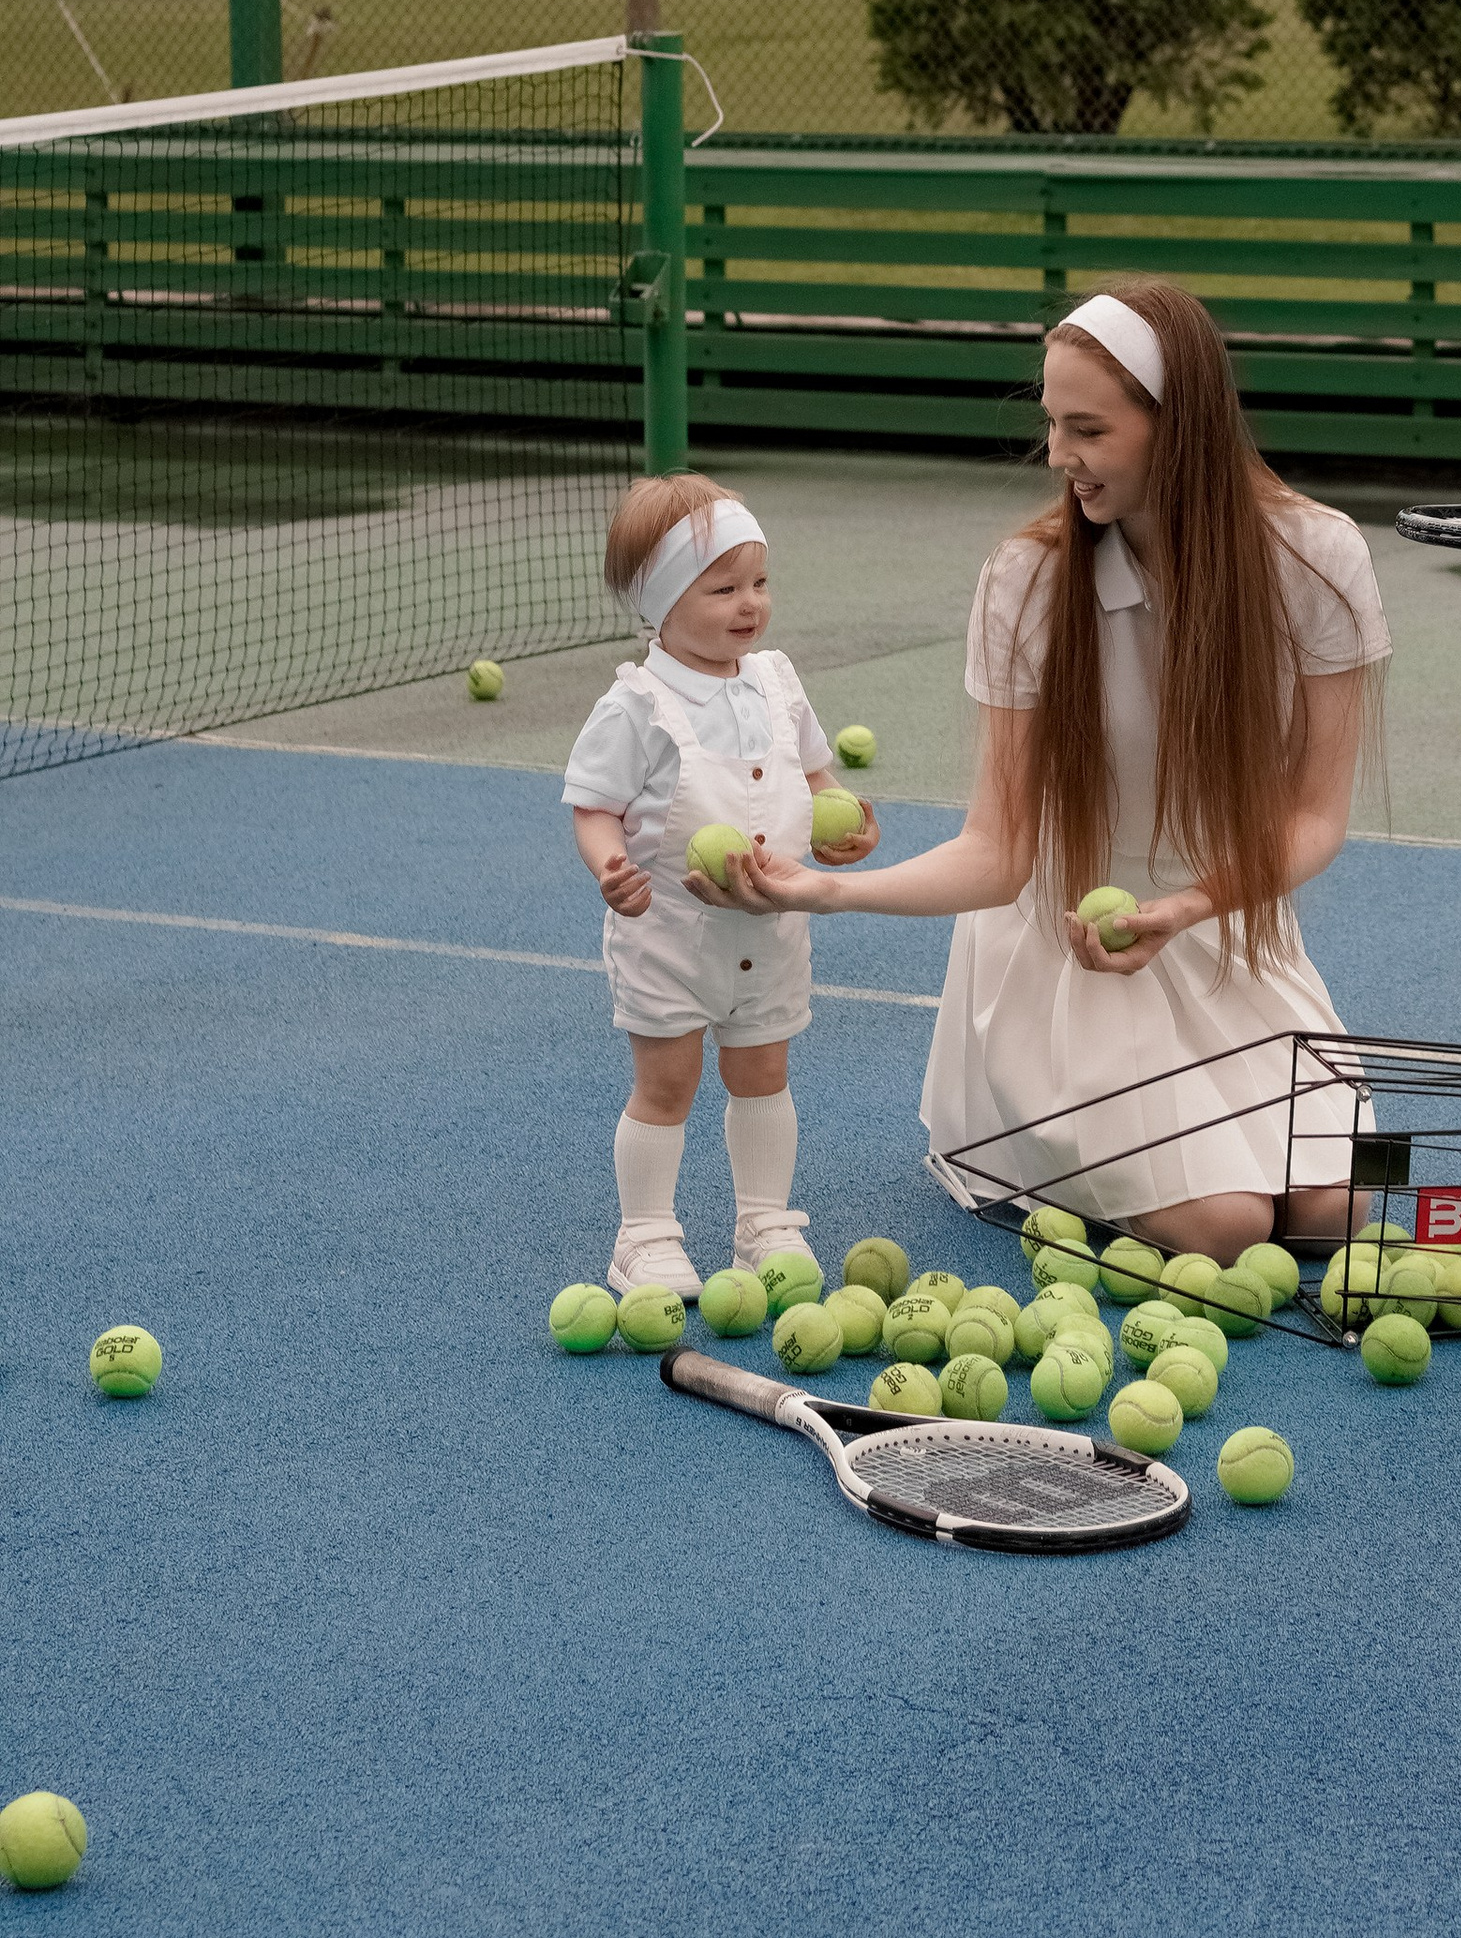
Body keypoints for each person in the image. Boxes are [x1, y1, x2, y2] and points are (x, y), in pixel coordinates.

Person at [695, 281, 1392, 1266]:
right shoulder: (1025, 579)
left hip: (1223, 935)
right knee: (1229, 1228)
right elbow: (998, 850)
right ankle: (1005, 1126)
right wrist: (822, 890)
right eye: (1053, 424)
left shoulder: (1320, 556)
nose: (1059, 455)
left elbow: (1315, 819)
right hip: (1066, 957)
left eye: (1088, 430)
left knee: (1347, 1206)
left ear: (1180, 426)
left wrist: (1187, 907)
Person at [563, 476, 878, 1297]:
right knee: (667, 1084)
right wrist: (609, 867)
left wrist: (844, 825)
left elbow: (816, 776)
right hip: (669, 935)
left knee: (763, 1075)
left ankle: (763, 1223)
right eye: (723, 589)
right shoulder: (635, 703)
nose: (751, 604)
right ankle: (643, 1237)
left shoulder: (776, 680)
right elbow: (594, 807)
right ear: (662, 603)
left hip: (771, 931)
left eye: (760, 583)